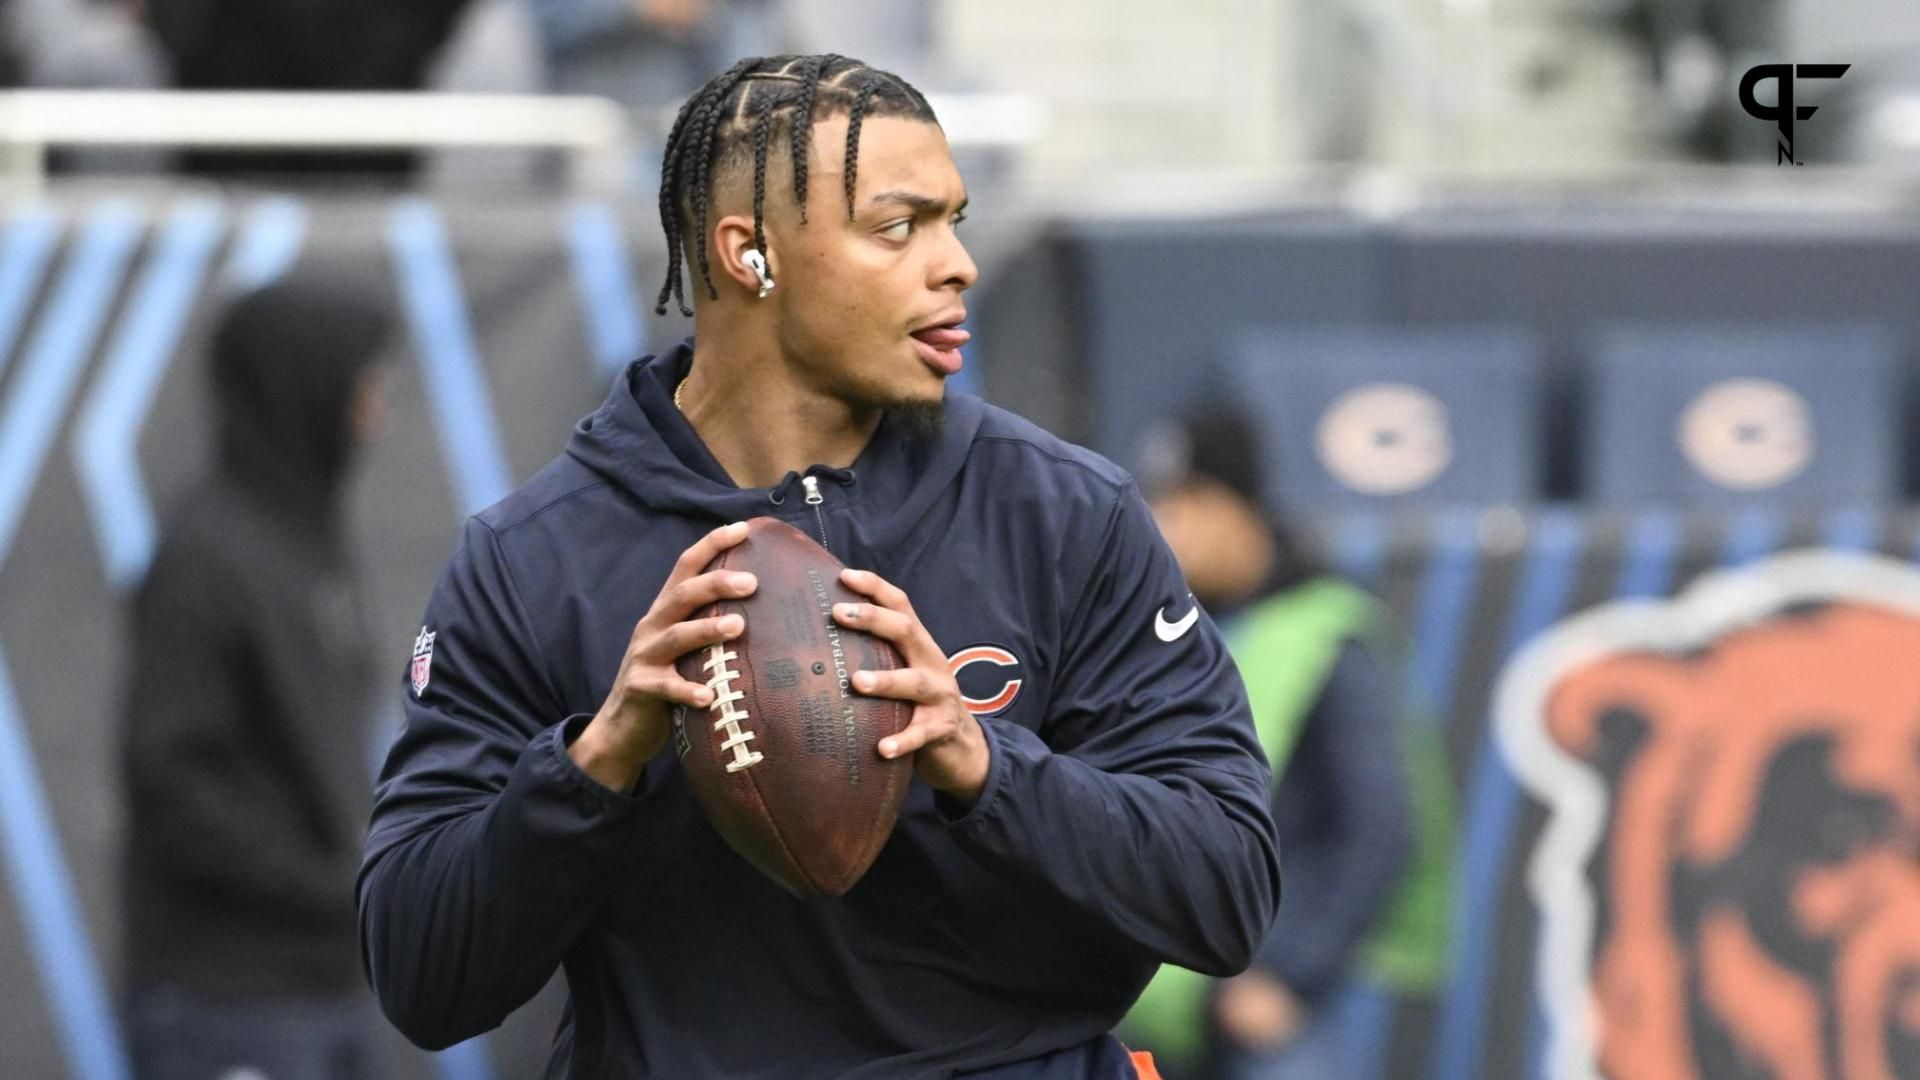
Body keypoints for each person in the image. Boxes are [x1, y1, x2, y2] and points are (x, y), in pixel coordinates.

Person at [358, 54, 1281, 1079]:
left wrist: (987, 768)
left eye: (955, 221)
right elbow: (421, 976)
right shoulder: (532, 559)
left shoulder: (1066, 513)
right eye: (900, 226)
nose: (956, 265)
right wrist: (597, 762)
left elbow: (1227, 891)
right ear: (750, 256)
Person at [1121, 404, 1453, 1080]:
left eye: (1186, 503)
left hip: (1268, 1007)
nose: (1167, 528)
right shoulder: (1178, 630)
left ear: (1234, 505)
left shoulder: (1327, 630)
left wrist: (1290, 974)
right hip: (1169, 1000)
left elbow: (1377, 826)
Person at [119, 277, 396, 1080]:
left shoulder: (310, 537)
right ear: (302, 384)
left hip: (326, 988)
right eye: (363, 384)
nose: (376, 409)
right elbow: (173, 785)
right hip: (226, 1003)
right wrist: (329, 886)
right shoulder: (203, 557)